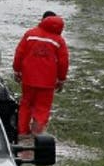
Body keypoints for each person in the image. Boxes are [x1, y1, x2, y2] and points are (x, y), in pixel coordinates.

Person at [12, 11, 69, 142]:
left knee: (26, 104)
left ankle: (22, 132)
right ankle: (36, 133)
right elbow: (63, 61)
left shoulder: (30, 34)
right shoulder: (59, 40)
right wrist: (61, 79)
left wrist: (17, 70)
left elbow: (19, 53)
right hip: (48, 81)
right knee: (42, 107)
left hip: (28, 78)